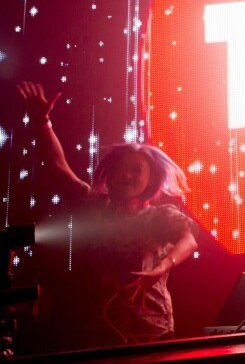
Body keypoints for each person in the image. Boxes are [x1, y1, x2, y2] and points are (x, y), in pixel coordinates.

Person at [16, 82, 198, 348]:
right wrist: (42, 122)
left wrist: (162, 266)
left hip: (148, 332)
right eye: (120, 168)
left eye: (137, 170)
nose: (127, 175)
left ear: (150, 180)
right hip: (95, 334)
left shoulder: (160, 217)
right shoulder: (93, 205)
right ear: (108, 175)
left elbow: (188, 241)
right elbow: (58, 167)